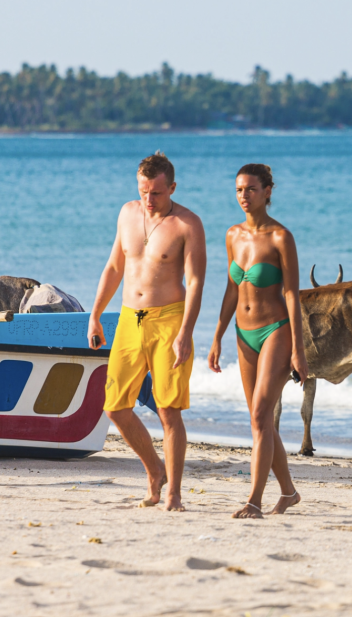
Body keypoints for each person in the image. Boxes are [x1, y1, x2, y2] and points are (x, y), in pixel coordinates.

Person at [87, 152, 206, 512]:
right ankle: (155, 471)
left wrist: (186, 330)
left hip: (169, 319)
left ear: (171, 187)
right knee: (115, 407)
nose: (148, 200)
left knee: (168, 410)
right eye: (143, 191)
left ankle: (173, 494)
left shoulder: (188, 224)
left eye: (156, 192)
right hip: (128, 317)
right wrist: (94, 314)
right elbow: (114, 266)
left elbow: (197, 281)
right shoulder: (127, 213)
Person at [208, 164, 307, 519]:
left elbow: (293, 294)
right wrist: (217, 335)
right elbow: (232, 288)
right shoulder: (232, 235)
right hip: (242, 333)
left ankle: (253, 500)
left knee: (261, 413)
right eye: (238, 190)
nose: (243, 196)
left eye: (251, 189)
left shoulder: (282, 237)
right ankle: (290, 493)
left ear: (268, 191)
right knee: (258, 419)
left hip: (275, 330)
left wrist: (299, 348)